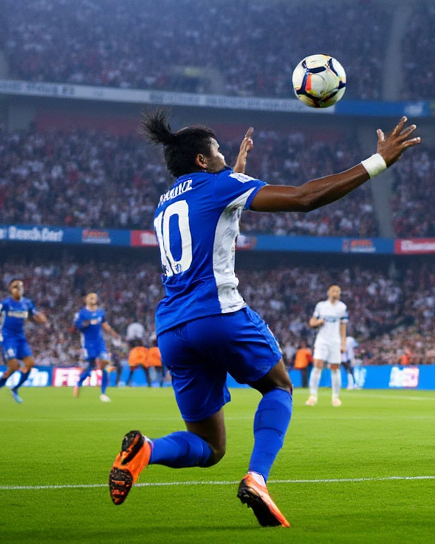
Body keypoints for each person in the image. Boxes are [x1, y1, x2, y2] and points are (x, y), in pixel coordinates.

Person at [107, 111, 418, 528]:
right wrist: (377, 162)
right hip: (219, 314)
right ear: (202, 160)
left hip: (171, 329)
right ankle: (257, 477)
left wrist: (235, 171)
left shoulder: (165, 204)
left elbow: (211, 212)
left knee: (208, 446)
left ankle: (147, 449)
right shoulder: (221, 185)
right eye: (216, 150)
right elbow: (304, 197)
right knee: (279, 386)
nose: (222, 156)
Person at [0, 279, 50, 408]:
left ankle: (15, 389)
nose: (18, 289)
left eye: (20, 287)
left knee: (30, 363)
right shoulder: (4, 304)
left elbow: (34, 315)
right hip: (7, 338)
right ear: (11, 289)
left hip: (20, 338)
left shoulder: (27, 303)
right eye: (15, 287)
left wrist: (42, 320)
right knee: (14, 366)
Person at [305, 284, 348, 407]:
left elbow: (343, 326)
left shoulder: (342, 307)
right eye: (333, 290)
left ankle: (335, 397)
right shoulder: (321, 306)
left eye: (338, 291)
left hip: (335, 341)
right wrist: (318, 322)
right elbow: (312, 322)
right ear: (329, 292)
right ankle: (313, 396)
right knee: (318, 365)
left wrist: (343, 343)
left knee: (335, 367)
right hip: (322, 340)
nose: (335, 293)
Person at [73, 292, 119, 402]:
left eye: (95, 297)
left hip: (99, 343)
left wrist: (113, 333)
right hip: (88, 344)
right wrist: (85, 323)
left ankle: (103, 393)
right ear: (86, 300)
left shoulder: (100, 312)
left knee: (105, 365)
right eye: (91, 297)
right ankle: (79, 383)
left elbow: (104, 324)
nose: (93, 298)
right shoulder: (82, 313)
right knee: (91, 367)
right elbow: (77, 327)